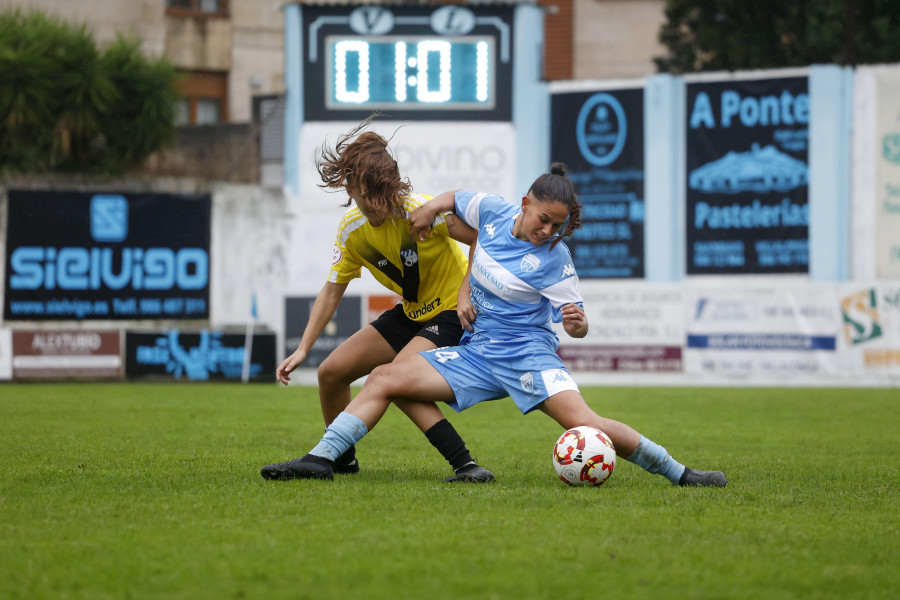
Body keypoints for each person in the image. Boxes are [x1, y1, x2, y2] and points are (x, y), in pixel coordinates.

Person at [274, 163, 728, 488]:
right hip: (477, 354)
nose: (549, 231)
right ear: (525, 204)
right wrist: (431, 212)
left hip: (528, 356)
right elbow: (454, 198)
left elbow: (578, 328)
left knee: (586, 423)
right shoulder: (491, 211)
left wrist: (578, 322)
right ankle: (322, 458)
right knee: (385, 376)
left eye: (559, 226)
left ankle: (680, 473)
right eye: (544, 219)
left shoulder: (556, 259)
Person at [260, 117, 493, 483]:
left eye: (376, 194)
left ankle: (466, 465)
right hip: (411, 313)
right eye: (360, 192)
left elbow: (480, 238)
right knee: (331, 373)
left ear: (391, 185)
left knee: (396, 379)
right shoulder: (352, 231)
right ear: (349, 187)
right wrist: (304, 347)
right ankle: (342, 460)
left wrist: (466, 293)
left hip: (449, 312)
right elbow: (332, 289)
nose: (370, 203)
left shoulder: (422, 212)